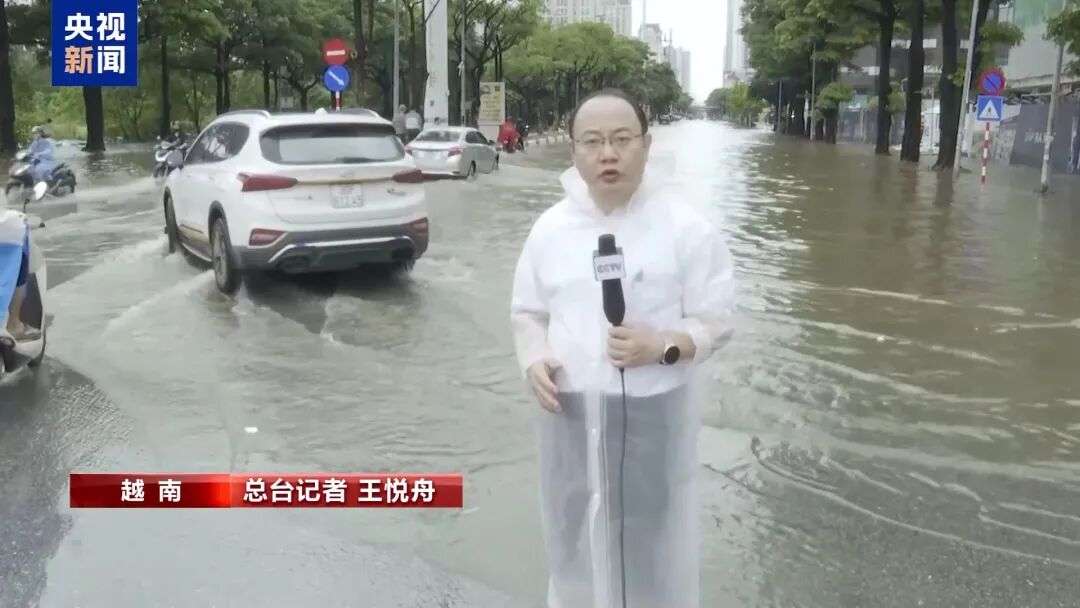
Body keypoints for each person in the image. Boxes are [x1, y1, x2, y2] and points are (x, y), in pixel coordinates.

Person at [510, 88, 735, 608]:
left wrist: (664, 346)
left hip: (653, 415)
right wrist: (534, 357)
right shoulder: (550, 229)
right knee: (571, 534)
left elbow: (718, 321)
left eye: (621, 139)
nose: (607, 154)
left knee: (650, 541)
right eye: (592, 141)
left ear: (646, 144)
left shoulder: (685, 229)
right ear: (573, 150)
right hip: (569, 415)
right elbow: (527, 311)